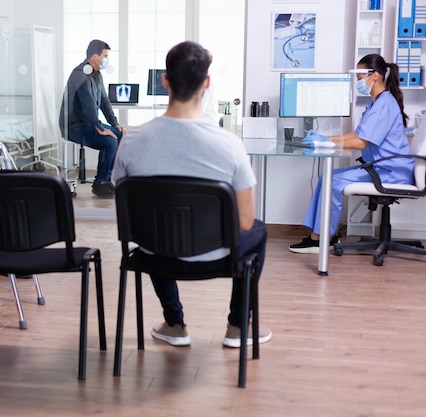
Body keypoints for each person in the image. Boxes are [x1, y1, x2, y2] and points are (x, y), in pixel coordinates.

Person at [112, 41, 272, 348]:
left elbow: (125, 205)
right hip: (216, 258)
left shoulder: (132, 141)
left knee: (156, 223)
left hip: (154, 254)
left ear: (165, 80)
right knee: (259, 230)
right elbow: (244, 220)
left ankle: (174, 323)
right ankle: (238, 327)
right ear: (207, 83)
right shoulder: (229, 145)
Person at [289, 53, 414, 254]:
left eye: (359, 78)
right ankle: (319, 235)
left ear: (374, 76)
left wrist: (327, 142)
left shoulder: (384, 104)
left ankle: (322, 239)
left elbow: (361, 141)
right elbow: (358, 134)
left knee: (333, 181)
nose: (358, 82)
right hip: (381, 167)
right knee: (327, 177)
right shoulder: (378, 102)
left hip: (390, 171)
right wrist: (326, 137)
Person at [59, 39, 126, 198]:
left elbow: (104, 100)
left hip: (88, 122)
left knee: (120, 135)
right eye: (105, 56)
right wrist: (100, 128)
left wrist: (114, 124)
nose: (106, 60)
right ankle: (99, 183)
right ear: (95, 56)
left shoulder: (96, 74)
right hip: (74, 126)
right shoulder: (80, 74)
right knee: (110, 141)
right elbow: (88, 104)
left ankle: (106, 179)